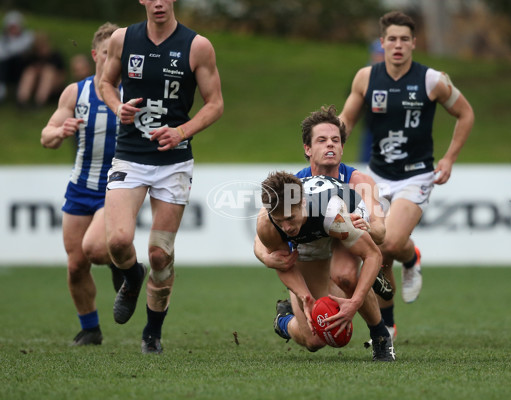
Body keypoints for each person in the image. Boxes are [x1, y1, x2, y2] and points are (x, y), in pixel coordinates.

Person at [339, 11, 475, 337]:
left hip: (416, 175)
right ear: (382, 42)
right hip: (378, 176)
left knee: (388, 242)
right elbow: (346, 120)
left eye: (404, 39)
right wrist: (327, 147)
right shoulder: (365, 79)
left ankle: (410, 255)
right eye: (392, 39)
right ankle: (387, 325)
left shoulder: (432, 80)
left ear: (414, 43)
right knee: (378, 248)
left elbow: (465, 114)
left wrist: (449, 158)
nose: (398, 45)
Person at [99, 0, 224, 354]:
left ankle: (152, 334)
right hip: (130, 156)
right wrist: (116, 106)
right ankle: (132, 277)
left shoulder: (197, 45)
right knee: (119, 242)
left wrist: (181, 132)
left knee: (159, 254)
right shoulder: (123, 39)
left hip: (173, 163)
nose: (158, 2)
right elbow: (105, 83)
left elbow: (215, 103)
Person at [40, 22, 123, 346]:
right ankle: (90, 328)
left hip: (117, 187)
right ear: (95, 55)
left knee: (97, 250)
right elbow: (46, 135)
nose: (113, 58)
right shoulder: (76, 92)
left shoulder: (133, 92)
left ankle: (122, 262)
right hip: (79, 187)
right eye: (107, 53)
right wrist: (59, 132)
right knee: (76, 265)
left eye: (119, 53)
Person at [254, 171, 395, 361]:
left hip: (343, 219)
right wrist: (305, 297)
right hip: (312, 237)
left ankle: (380, 337)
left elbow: (372, 254)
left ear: (302, 203)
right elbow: (284, 264)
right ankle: (285, 318)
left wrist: (355, 302)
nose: (286, 227)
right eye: (280, 221)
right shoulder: (267, 224)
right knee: (314, 340)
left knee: (348, 277)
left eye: (289, 218)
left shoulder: (331, 214)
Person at [16, 31, 66, 109]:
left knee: (48, 72)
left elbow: (62, 75)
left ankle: (39, 101)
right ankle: (22, 100)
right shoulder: (32, 56)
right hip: (36, 83)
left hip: (52, 84)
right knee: (30, 72)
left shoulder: (55, 56)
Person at [358, 39, 385, 163]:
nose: (379, 57)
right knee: (366, 161)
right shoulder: (365, 74)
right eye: (377, 54)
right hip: (370, 127)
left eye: (382, 55)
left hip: (391, 129)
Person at [0, 10, 34, 102]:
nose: (13, 29)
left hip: (20, 69)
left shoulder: (28, 37)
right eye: (11, 27)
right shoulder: (4, 39)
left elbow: (16, 49)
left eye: (15, 26)